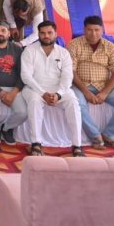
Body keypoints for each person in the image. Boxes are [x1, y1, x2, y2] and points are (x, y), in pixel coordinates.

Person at [69, 16, 114, 150]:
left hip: (104, 85)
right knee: (77, 105)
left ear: (102, 30)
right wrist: (86, 92)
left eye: (97, 30)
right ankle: (95, 136)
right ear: (84, 30)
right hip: (80, 85)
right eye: (89, 30)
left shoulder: (110, 47)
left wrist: (104, 93)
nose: (93, 34)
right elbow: (71, 71)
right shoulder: (74, 45)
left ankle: (109, 135)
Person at [21, 21, 84, 157]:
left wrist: (59, 94)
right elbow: (26, 76)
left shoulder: (63, 53)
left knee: (73, 102)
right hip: (34, 89)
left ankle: (77, 145)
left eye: (50, 33)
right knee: (34, 102)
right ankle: (36, 143)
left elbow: (67, 77)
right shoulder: (29, 50)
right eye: (43, 33)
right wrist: (42, 93)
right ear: (38, 34)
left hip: (59, 89)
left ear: (55, 34)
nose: (46, 36)